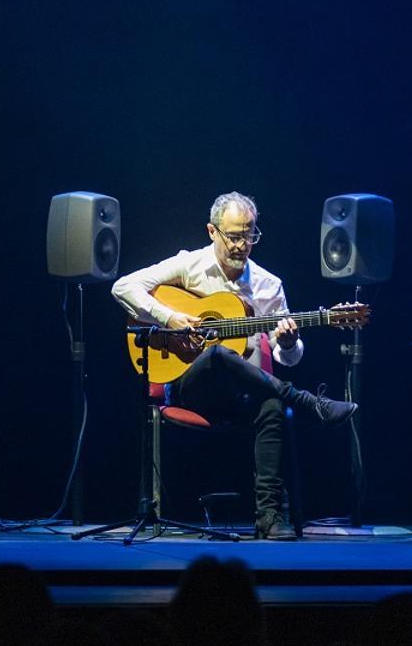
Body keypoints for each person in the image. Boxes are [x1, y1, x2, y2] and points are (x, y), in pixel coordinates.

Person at [111, 192, 357, 540]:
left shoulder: (269, 286)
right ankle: (306, 403)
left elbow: (288, 356)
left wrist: (288, 342)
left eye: (250, 235)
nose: (243, 245)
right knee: (215, 356)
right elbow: (123, 287)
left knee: (271, 404)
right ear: (212, 231)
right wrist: (171, 317)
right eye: (234, 236)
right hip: (190, 387)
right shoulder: (188, 265)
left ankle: (269, 517)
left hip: (243, 396)